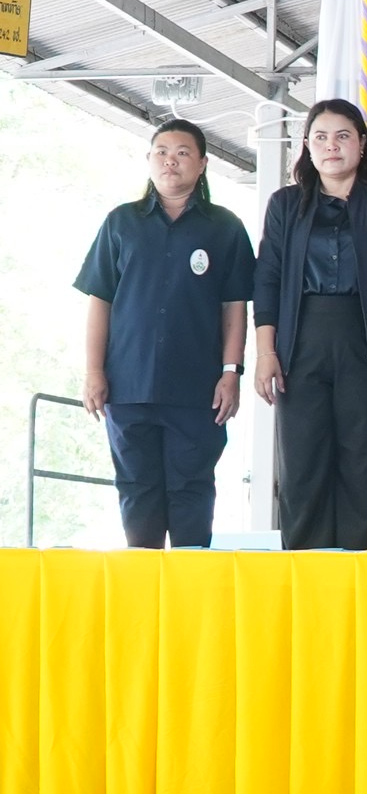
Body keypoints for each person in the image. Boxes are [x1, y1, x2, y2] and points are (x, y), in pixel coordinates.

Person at [74, 118, 254, 548]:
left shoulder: (224, 228)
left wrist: (232, 371)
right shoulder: (121, 223)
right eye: (162, 152)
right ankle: (142, 599)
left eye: (183, 153)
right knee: (137, 492)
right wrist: (93, 372)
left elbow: (235, 307)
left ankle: (189, 604)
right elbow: (100, 300)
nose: (170, 161)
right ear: (149, 160)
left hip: (197, 390)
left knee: (192, 493)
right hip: (128, 386)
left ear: (203, 163)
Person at [251, 99, 367, 550]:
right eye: (320, 137)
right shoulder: (286, 204)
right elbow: (268, 279)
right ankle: (306, 585)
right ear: (306, 145)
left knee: (365, 463)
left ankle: (363, 587)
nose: (331, 146)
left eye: (343, 136)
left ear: (361, 143)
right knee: (301, 466)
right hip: (300, 344)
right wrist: (266, 353)